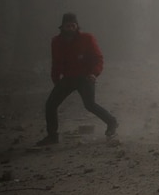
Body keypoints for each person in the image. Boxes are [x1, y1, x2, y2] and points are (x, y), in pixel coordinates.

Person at [35, 13, 118, 146]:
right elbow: (55, 63)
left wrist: (94, 74)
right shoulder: (56, 42)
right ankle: (52, 136)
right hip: (68, 78)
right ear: (62, 27)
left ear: (77, 26)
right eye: (68, 26)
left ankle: (111, 122)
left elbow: (98, 58)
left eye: (73, 26)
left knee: (90, 104)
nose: (71, 29)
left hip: (85, 77)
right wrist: (56, 81)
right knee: (50, 105)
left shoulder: (87, 38)